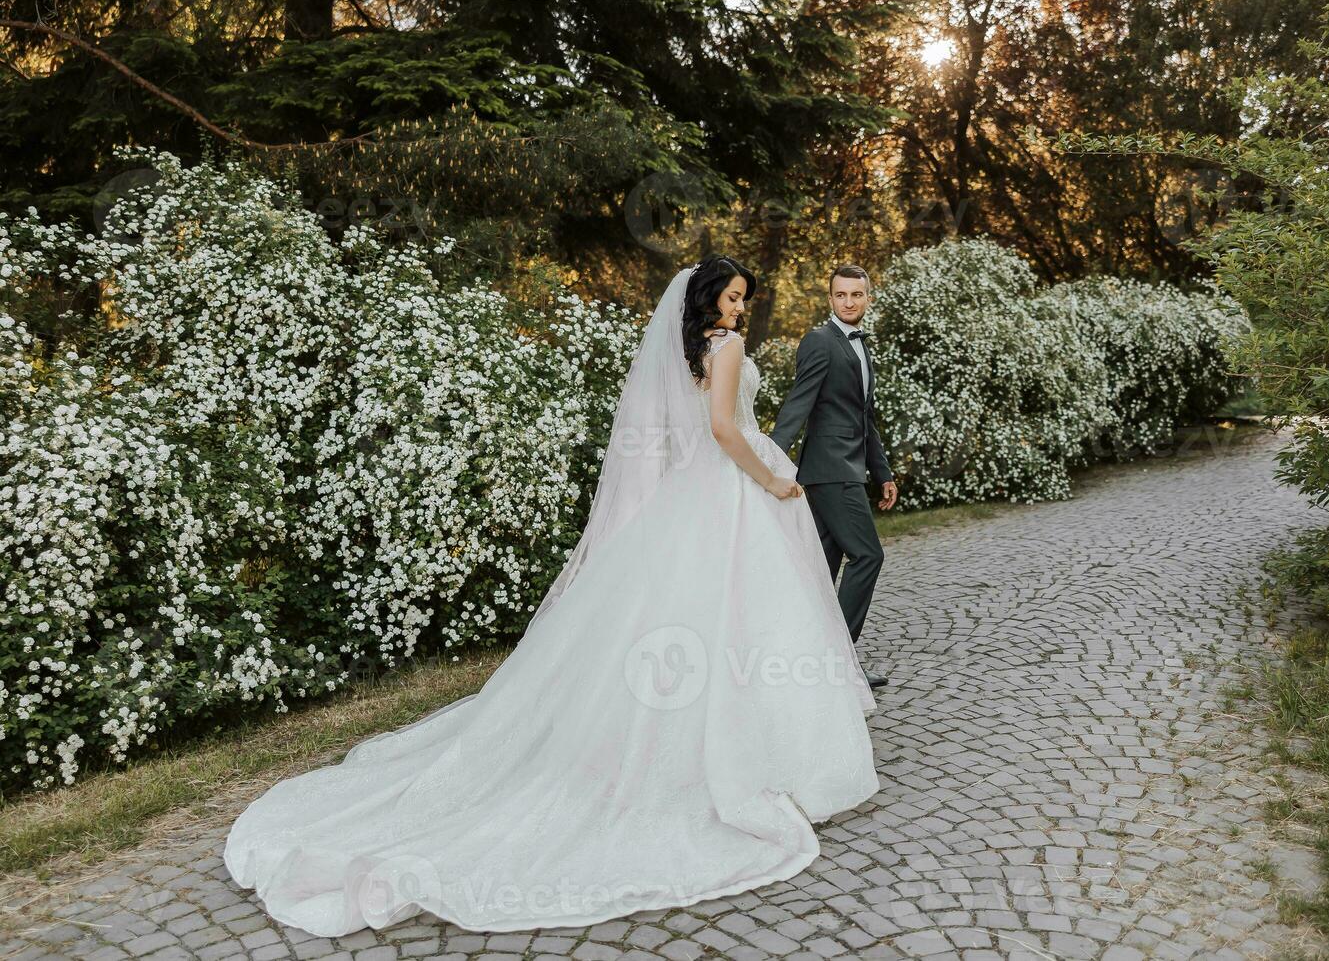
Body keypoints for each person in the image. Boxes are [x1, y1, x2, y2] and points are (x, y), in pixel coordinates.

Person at [222, 256, 880, 938]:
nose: (741, 309)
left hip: (693, 495)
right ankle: (762, 758)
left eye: (744, 299)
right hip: (732, 487)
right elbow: (721, 429)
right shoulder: (729, 346)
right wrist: (771, 481)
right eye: (734, 298)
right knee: (746, 620)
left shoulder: (689, 351)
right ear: (711, 301)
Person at [770, 264, 898, 688]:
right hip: (830, 472)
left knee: (825, 567)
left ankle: (803, 659)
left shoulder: (861, 347)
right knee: (869, 556)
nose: (848, 302)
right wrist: (770, 460)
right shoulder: (820, 342)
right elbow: (798, 404)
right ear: (830, 299)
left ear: (867, 298)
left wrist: (883, 473)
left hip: (848, 469)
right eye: (840, 295)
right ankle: (837, 661)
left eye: (856, 295)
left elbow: (866, 419)